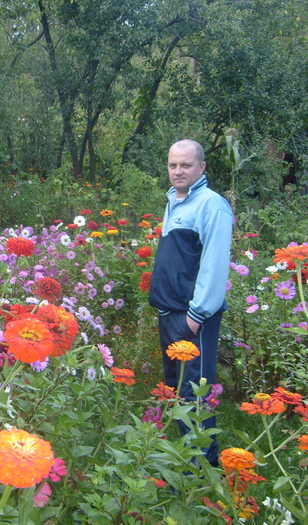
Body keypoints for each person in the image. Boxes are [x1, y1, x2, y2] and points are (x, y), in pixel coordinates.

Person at [148, 139, 233, 467]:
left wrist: (197, 315)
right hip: (169, 313)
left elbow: (214, 266)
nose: (178, 171)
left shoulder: (212, 205)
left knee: (195, 391)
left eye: (186, 165)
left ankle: (203, 471)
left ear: (202, 167)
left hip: (192, 317)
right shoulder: (175, 201)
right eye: (173, 165)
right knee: (176, 388)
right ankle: (185, 460)